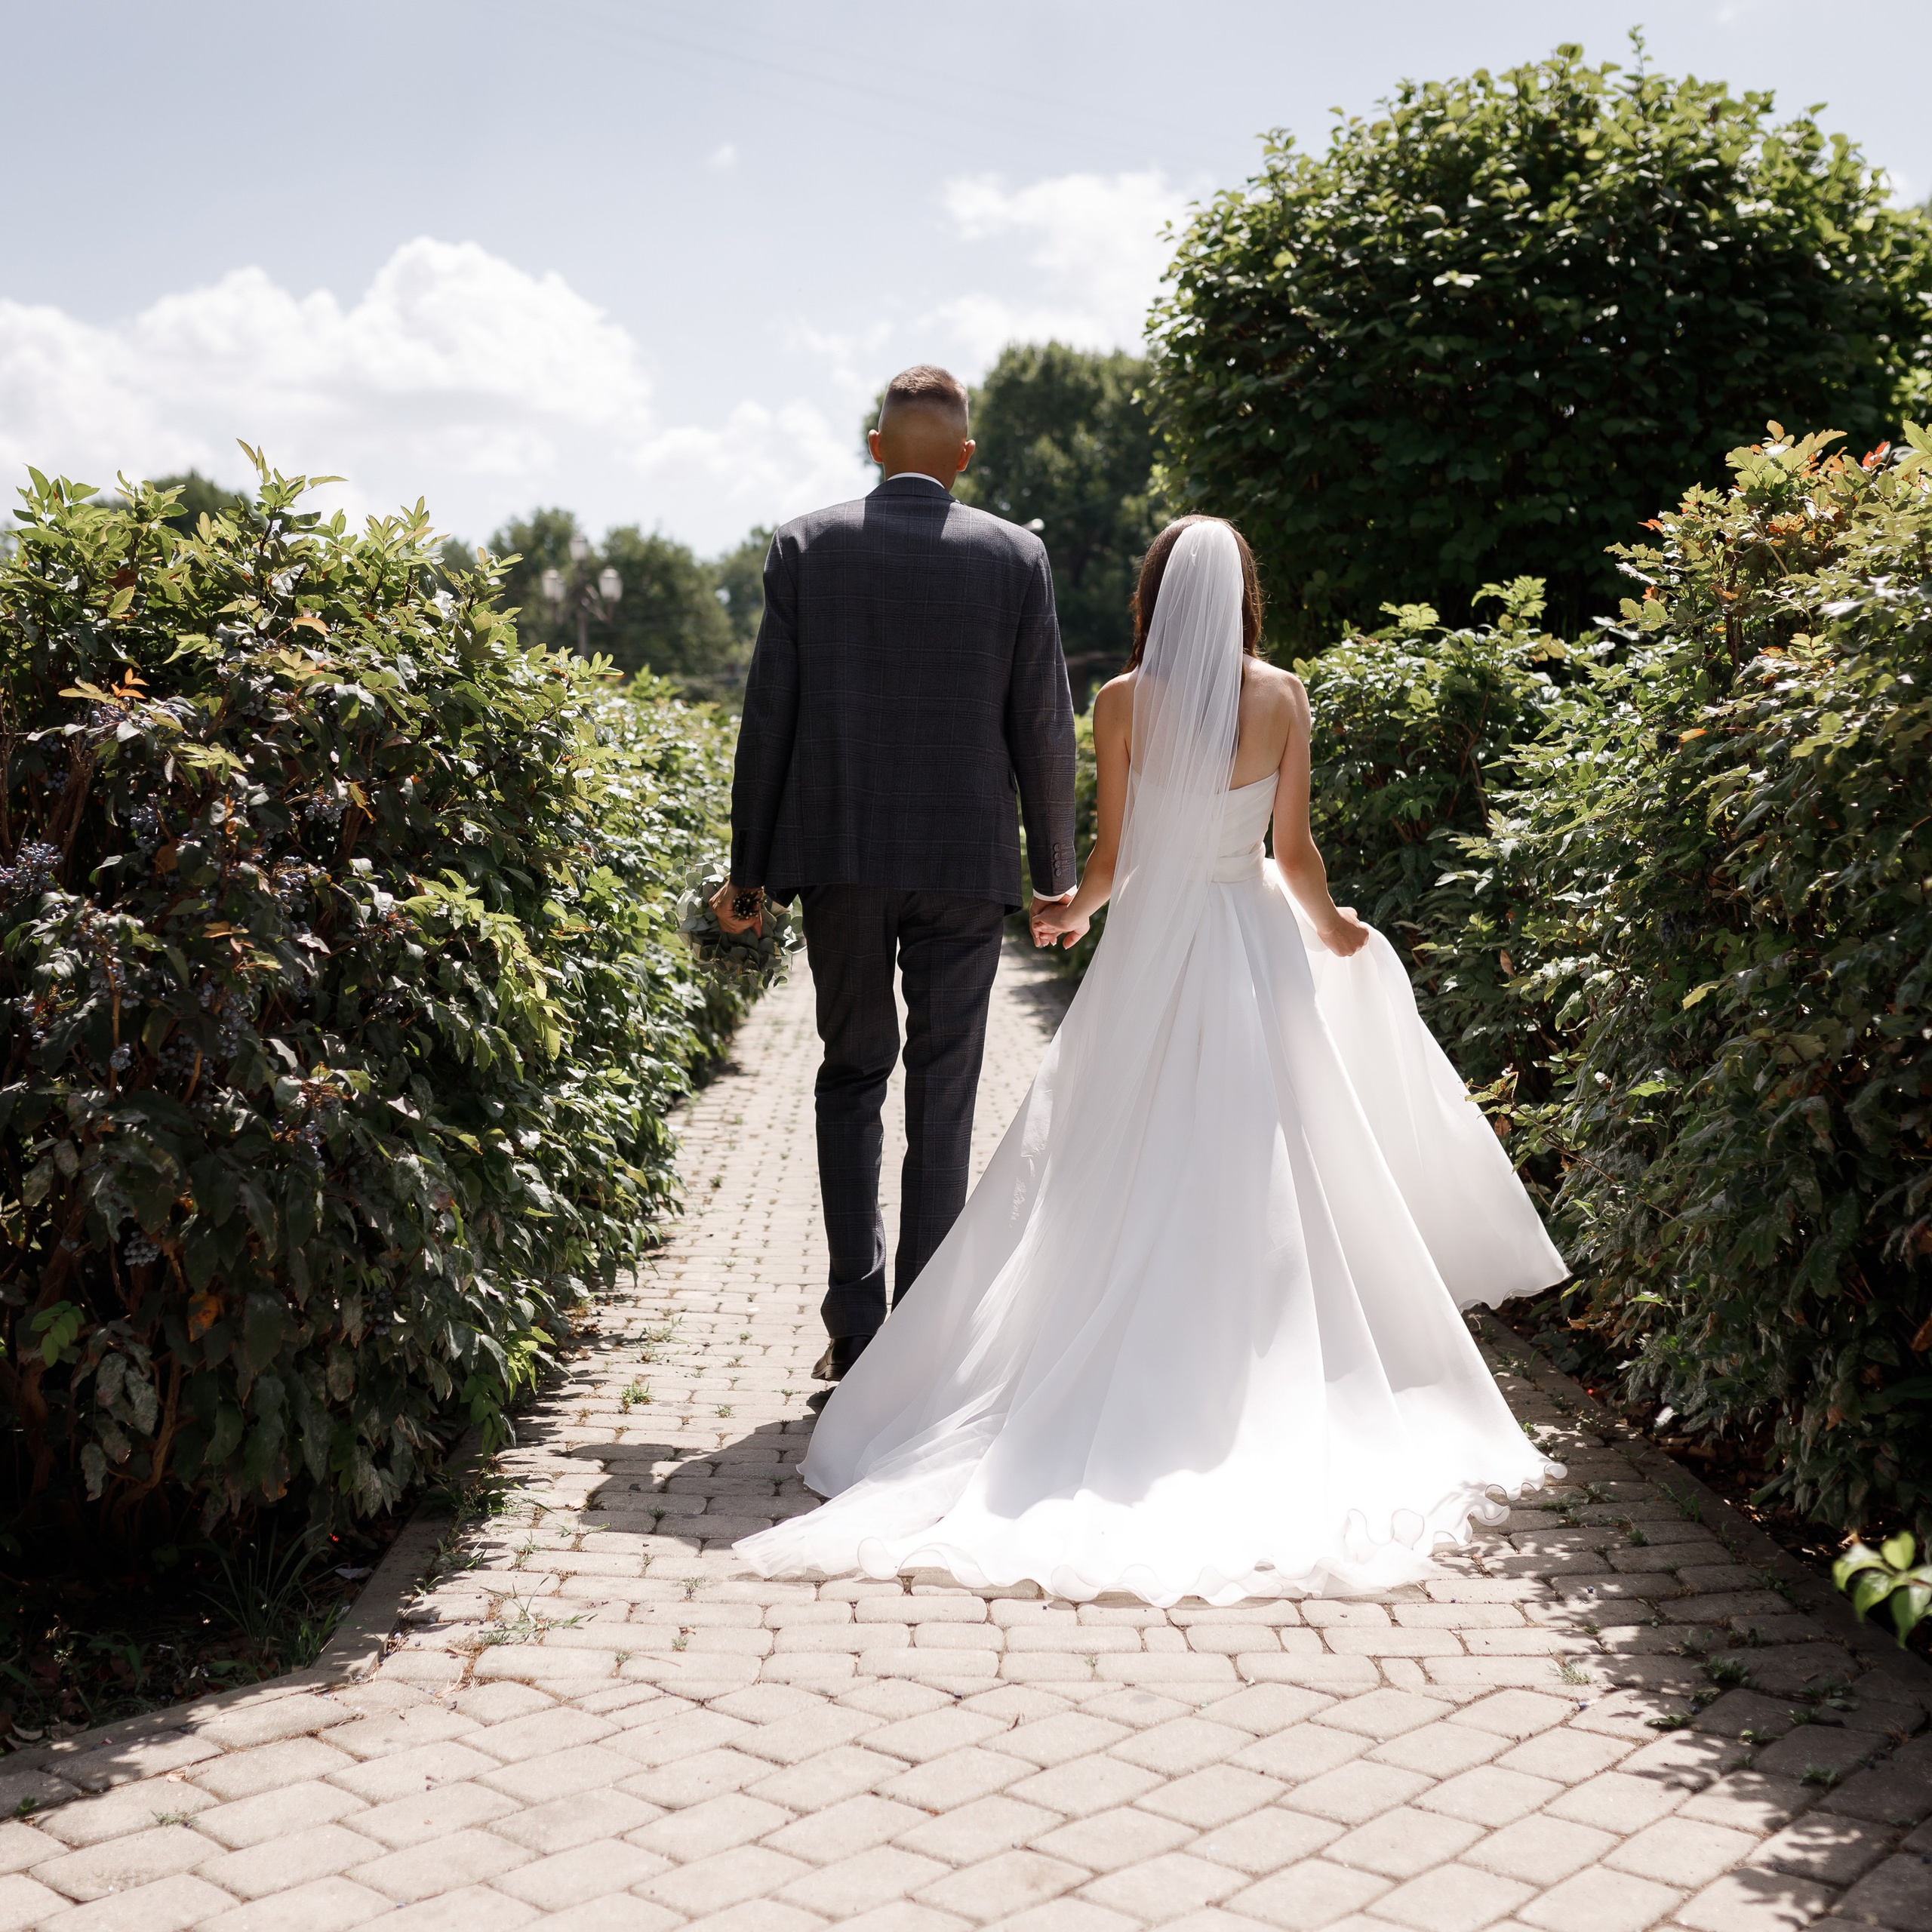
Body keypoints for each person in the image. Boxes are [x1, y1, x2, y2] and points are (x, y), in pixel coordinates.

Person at [737, 516, 1569, 1606]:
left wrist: (1071, 911)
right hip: (1250, 943)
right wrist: (1334, 932)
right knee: (1268, 1156)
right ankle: (1251, 1359)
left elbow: (1114, 856)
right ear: (1243, 598)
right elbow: (1293, 853)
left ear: (1155, 595)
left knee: (1113, 1155)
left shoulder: (1123, 700)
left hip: (1150, 949)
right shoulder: (1283, 696)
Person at [715, 365, 1077, 1385]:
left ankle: (855, 1322)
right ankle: (920, 1340)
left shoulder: (806, 546)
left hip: (840, 859)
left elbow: (769, 718)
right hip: (966, 864)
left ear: (875, 448)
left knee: (851, 1074)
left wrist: (749, 875)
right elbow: (1045, 726)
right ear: (966, 456)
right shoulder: (1016, 556)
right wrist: (1055, 875)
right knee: (945, 1091)